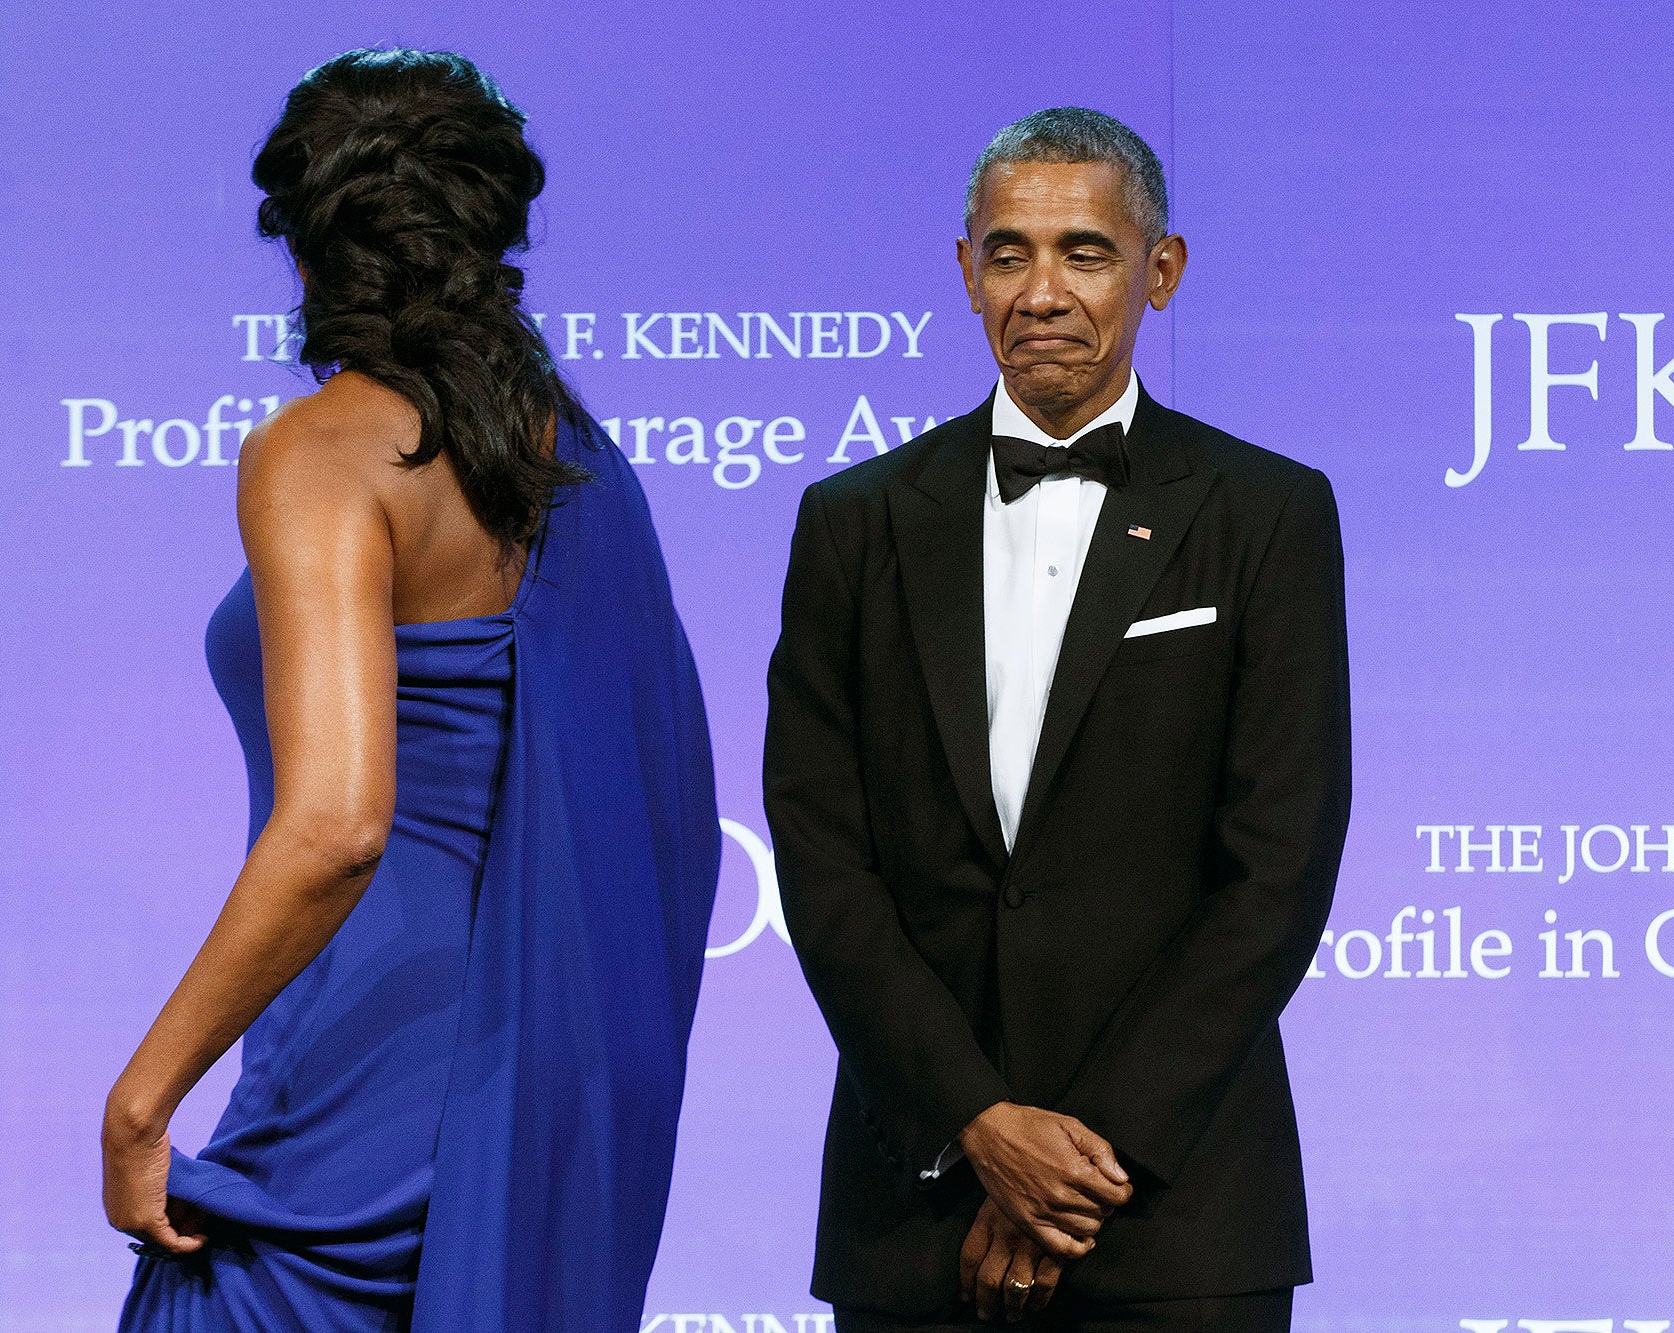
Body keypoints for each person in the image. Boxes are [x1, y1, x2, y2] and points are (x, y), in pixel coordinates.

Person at [102, 49, 721, 1331]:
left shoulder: (324, 444)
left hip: (362, 1053)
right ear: (492, 230)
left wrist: (142, 1099)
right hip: (539, 1054)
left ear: (305, 235)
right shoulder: (573, 453)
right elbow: (671, 803)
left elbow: (336, 824)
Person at [764, 108, 1352, 1331]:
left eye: (1083, 251)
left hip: (1174, 1209)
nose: (1041, 290)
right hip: (916, 1200)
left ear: (1160, 270)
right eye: (1007, 252)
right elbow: (824, 861)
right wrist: (975, 1124)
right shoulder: (854, 521)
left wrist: (1074, 1169)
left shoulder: (1266, 514)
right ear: (965, 270)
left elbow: (1276, 871)